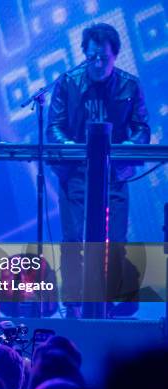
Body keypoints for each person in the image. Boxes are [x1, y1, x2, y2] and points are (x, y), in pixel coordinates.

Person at [46, 23, 150, 317]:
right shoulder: (68, 83)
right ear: (84, 55)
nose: (97, 63)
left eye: (103, 57)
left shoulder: (129, 85)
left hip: (114, 176)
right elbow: (54, 126)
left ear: (115, 56)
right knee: (73, 239)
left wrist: (122, 153)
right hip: (77, 175)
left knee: (115, 239)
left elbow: (142, 128)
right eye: (92, 57)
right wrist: (73, 149)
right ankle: (74, 305)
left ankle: (108, 301)